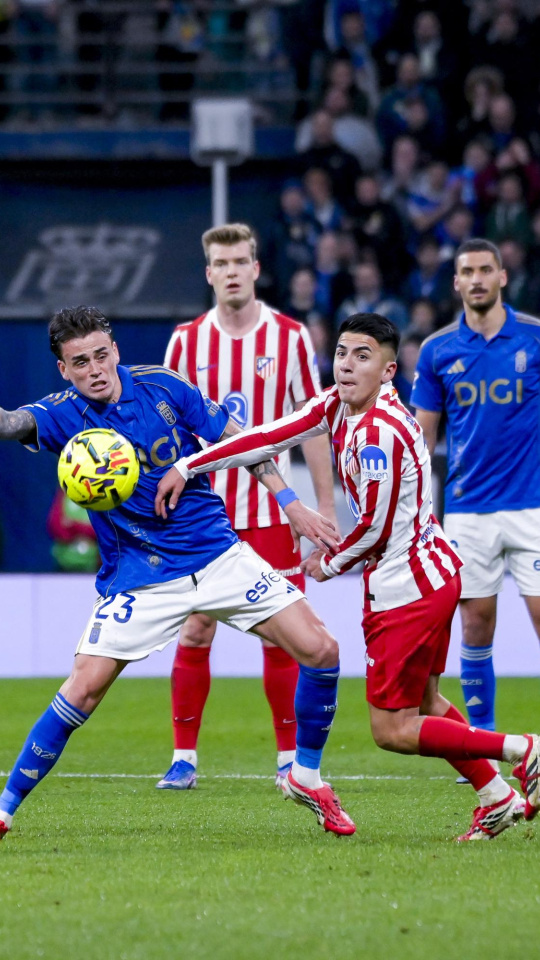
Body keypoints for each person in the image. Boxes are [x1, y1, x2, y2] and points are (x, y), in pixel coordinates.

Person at [155, 312, 540, 841]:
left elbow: (375, 528)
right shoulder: (337, 405)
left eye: (363, 356)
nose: (347, 365)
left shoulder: (378, 432)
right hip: (427, 575)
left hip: (408, 588)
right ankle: (495, 797)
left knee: (391, 729)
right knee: (427, 703)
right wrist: (190, 465)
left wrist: (328, 562)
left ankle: (523, 749)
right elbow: (267, 436)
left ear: (388, 370)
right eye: (341, 353)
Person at [0, 305, 355, 840]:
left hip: (217, 555)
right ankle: (4, 810)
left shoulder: (164, 386)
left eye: (101, 355)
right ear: (63, 370)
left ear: (115, 350)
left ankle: (305, 776)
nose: (95, 370)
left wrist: (291, 503)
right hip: (139, 576)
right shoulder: (62, 414)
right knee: (83, 689)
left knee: (322, 650)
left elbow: (241, 442)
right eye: (80, 362)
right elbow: (10, 423)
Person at [160, 222, 338, 790]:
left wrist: (324, 506)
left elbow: (314, 426)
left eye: (241, 261)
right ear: (209, 273)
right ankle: (183, 758)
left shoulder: (290, 337)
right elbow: (171, 428)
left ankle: (288, 758)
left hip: (271, 515)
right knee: (195, 632)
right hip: (206, 516)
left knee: (282, 638)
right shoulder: (185, 341)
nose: (232, 271)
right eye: (222, 263)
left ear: (256, 269)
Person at [411, 238, 540, 751]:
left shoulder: (534, 338)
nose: (478, 279)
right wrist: (415, 510)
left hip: (532, 505)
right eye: (468, 272)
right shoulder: (438, 350)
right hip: (467, 509)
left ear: (502, 277)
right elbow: (422, 440)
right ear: (457, 282)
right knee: (475, 623)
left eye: (486, 270)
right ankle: (483, 739)